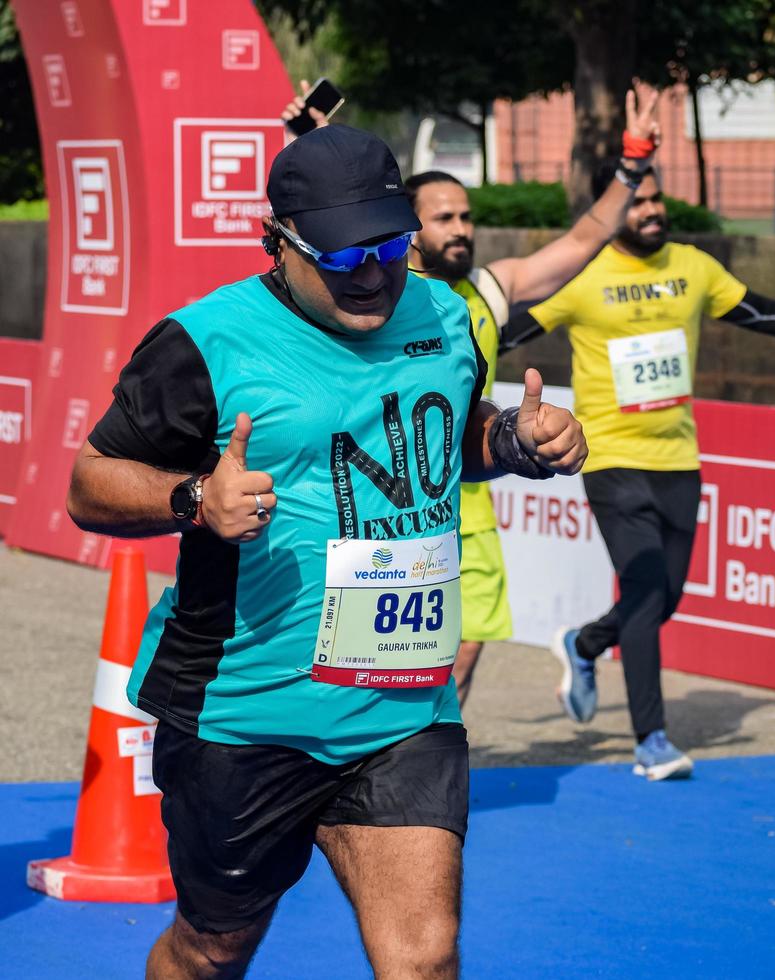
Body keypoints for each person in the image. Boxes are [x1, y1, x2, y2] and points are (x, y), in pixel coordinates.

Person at [66, 125, 587, 980]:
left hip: (403, 707)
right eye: (346, 258)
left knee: (424, 959)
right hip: (246, 714)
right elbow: (91, 482)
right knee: (212, 948)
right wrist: (195, 499)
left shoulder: (444, 314)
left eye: (391, 246)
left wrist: (520, 441)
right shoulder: (204, 343)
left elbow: (449, 441)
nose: (376, 275)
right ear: (278, 244)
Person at [519, 160, 775, 781]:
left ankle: (586, 643)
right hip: (613, 459)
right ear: (611, 208)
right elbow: (504, 329)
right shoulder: (581, 275)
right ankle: (651, 740)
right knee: (646, 591)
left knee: (668, 596)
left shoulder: (692, 267)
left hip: (679, 458)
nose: (652, 211)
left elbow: (759, 314)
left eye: (657, 200)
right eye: (638, 202)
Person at [284, 80, 662, 707]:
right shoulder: (364, 293)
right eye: (444, 218)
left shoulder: (487, 289)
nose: (461, 229)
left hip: (469, 509)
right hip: (377, 506)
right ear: (405, 225)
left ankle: (426, 756)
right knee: (363, 671)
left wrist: (634, 159)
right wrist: (314, 147)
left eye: (466, 217)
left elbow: (583, 240)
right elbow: (315, 241)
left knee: (457, 660)